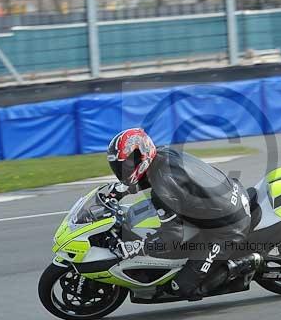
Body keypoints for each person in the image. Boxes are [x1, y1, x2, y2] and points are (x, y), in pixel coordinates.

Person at [104, 127, 259, 301]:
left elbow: (173, 238)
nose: (122, 170)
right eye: (118, 166)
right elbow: (150, 180)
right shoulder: (163, 155)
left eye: (126, 165)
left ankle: (244, 262)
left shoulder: (162, 191)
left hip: (228, 228)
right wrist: (121, 190)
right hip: (232, 196)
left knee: (183, 287)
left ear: (142, 155)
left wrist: (139, 247)